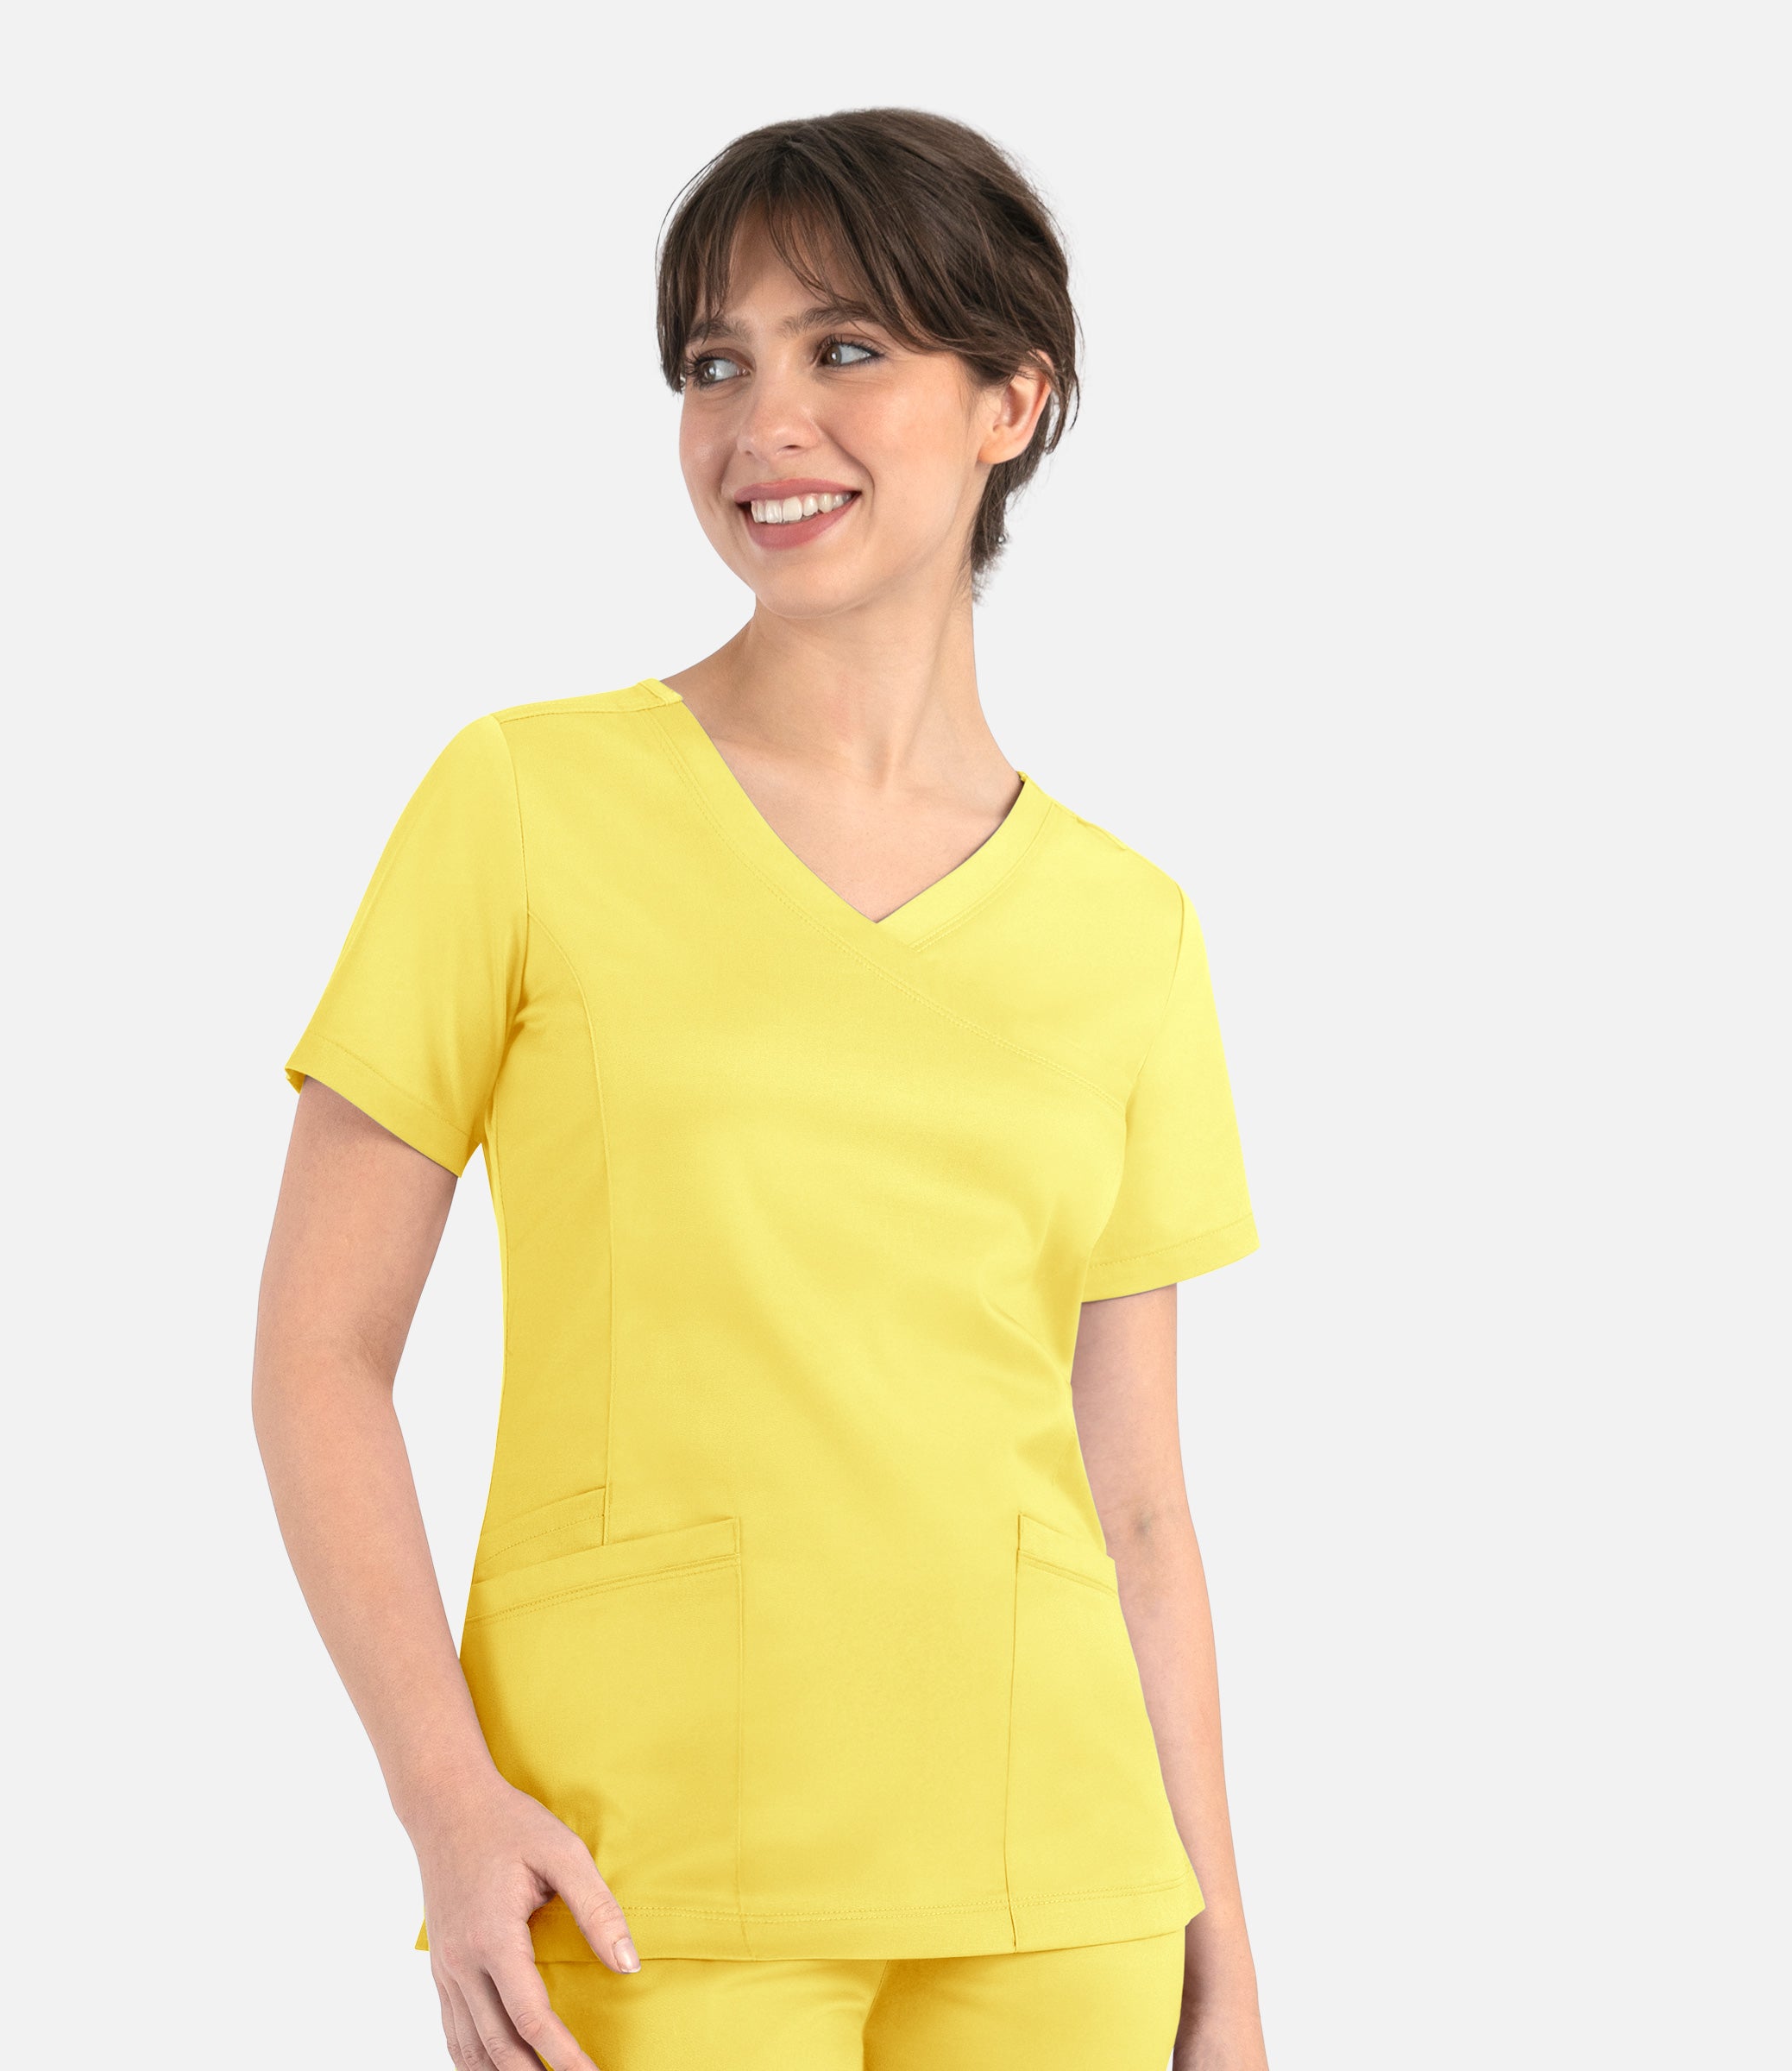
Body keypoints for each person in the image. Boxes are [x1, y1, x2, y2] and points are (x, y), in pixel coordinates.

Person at [253, 107, 1270, 2071]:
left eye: (846, 350)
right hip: (639, 1873)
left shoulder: (1129, 929)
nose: (761, 423)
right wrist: (446, 1802)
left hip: (1061, 1894)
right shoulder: (525, 804)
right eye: (716, 363)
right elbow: (318, 1354)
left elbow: (1139, 1506)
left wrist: (1221, 1956)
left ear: (1013, 402)